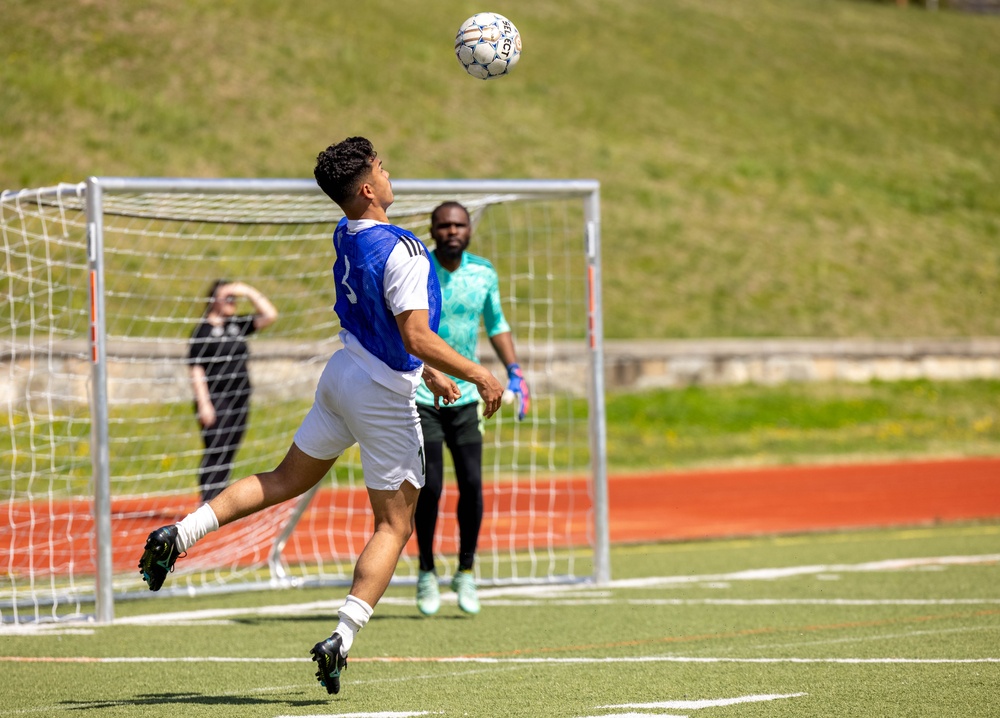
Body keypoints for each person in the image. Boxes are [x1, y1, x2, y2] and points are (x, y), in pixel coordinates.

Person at [137, 137, 504, 696]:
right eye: (381, 167)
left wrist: (424, 370)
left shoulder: (346, 231)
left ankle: (179, 533)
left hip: (342, 375)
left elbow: (388, 326)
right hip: (381, 397)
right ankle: (342, 636)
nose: (388, 173)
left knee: (283, 479)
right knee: (394, 525)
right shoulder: (404, 249)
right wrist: (478, 372)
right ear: (366, 187)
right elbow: (415, 333)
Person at [413, 202, 530, 617]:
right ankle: (426, 571)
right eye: (443, 225)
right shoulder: (417, 269)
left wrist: (514, 370)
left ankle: (466, 570)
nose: (451, 231)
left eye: (458, 224)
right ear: (432, 229)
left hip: (466, 397)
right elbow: (405, 330)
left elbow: (496, 323)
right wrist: (427, 371)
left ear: (468, 230)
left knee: (473, 485)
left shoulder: (483, 273)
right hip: (423, 393)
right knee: (429, 488)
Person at [188, 279, 278, 503]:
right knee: (216, 447)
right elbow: (196, 368)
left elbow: (270, 315)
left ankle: (218, 501)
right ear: (213, 300)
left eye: (233, 298)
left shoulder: (236, 324)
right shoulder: (202, 331)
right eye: (226, 297)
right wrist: (204, 403)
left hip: (240, 398)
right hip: (217, 398)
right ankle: (208, 500)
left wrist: (246, 290)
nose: (232, 302)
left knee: (230, 449)